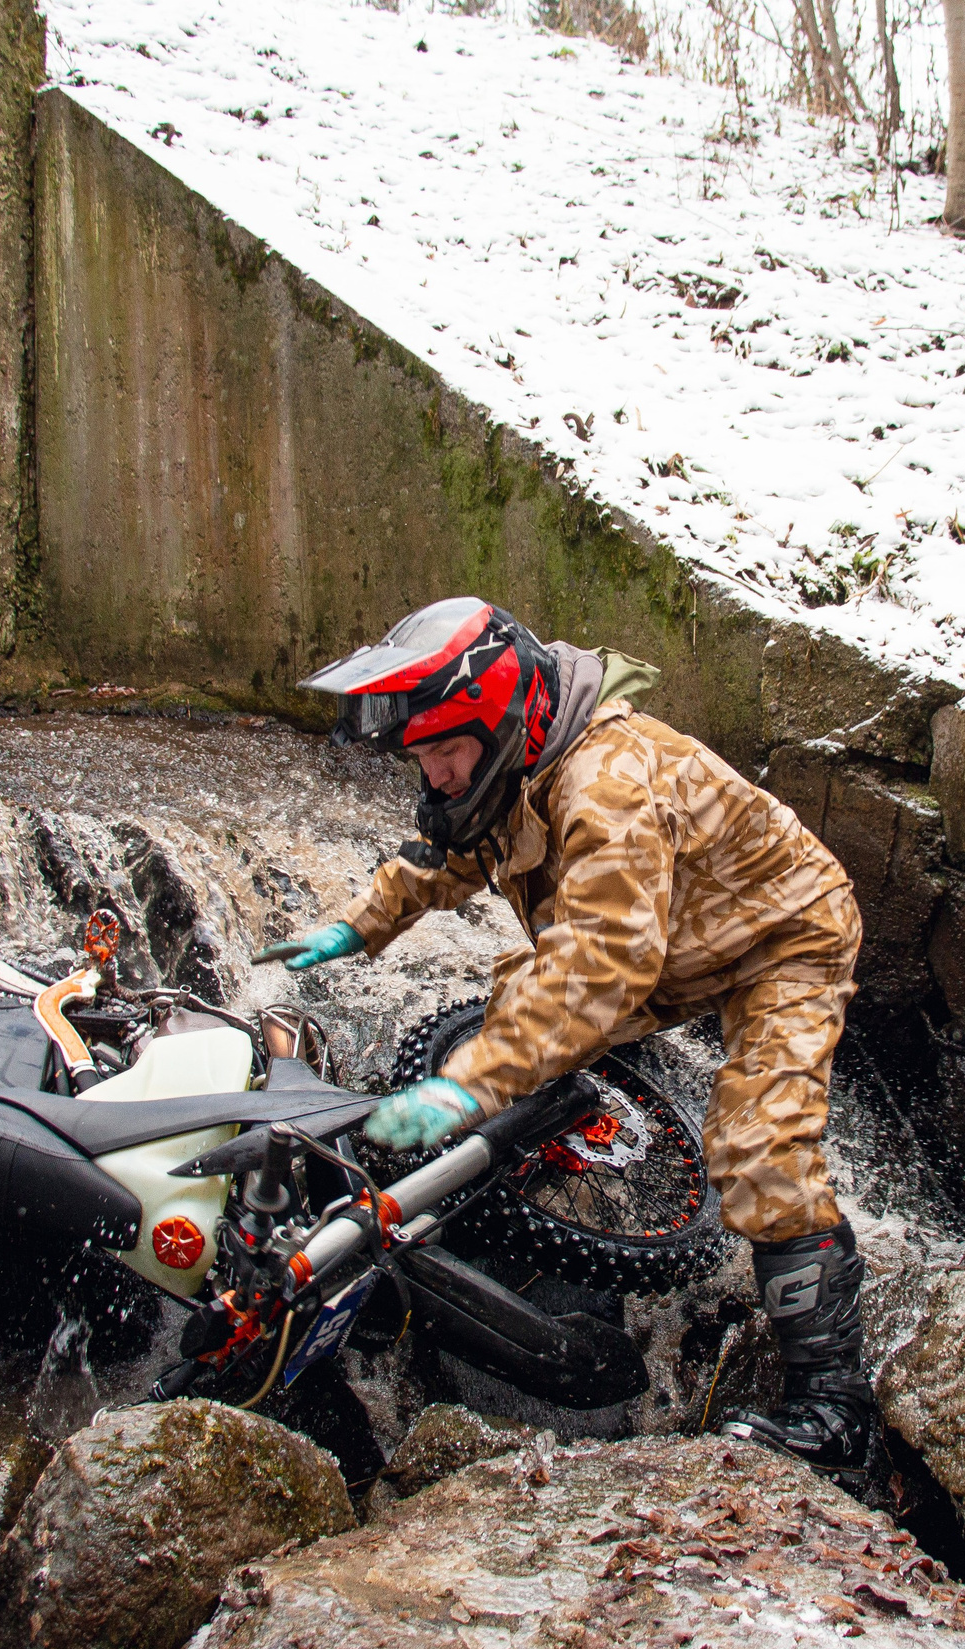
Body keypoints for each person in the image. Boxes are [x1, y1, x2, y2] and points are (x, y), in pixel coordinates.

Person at [270, 597, 878, 1484]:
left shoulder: (607, 782)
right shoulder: (523, 753)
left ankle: (834, 1409)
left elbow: (599, 968)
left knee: (758, 1144)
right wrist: (359, 925)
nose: (435, 775)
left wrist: (471, 1083)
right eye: (423, 756)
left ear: (500, 717)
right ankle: (542, 1158)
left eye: (445, 752)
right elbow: (461, 852)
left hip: (781, 935)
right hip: (671, 934)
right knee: (523, 996)